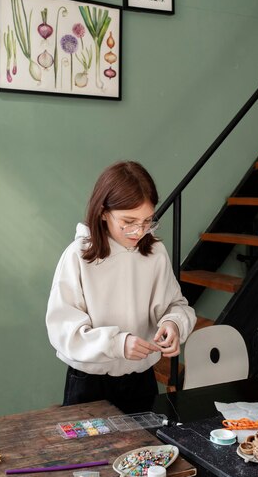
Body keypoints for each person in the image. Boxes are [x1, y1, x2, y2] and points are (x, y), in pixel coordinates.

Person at [46, 161, 196, 413]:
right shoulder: (78, 256)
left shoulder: (155, 253)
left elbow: (177, 305)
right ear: (103, 211)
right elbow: (63, 331)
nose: (139, 231)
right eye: (129, 221)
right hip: (89, 384)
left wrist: (173, 324)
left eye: (147, 221)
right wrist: (117, 344)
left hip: (141, 380)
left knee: (147, 450)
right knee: (90, 454)